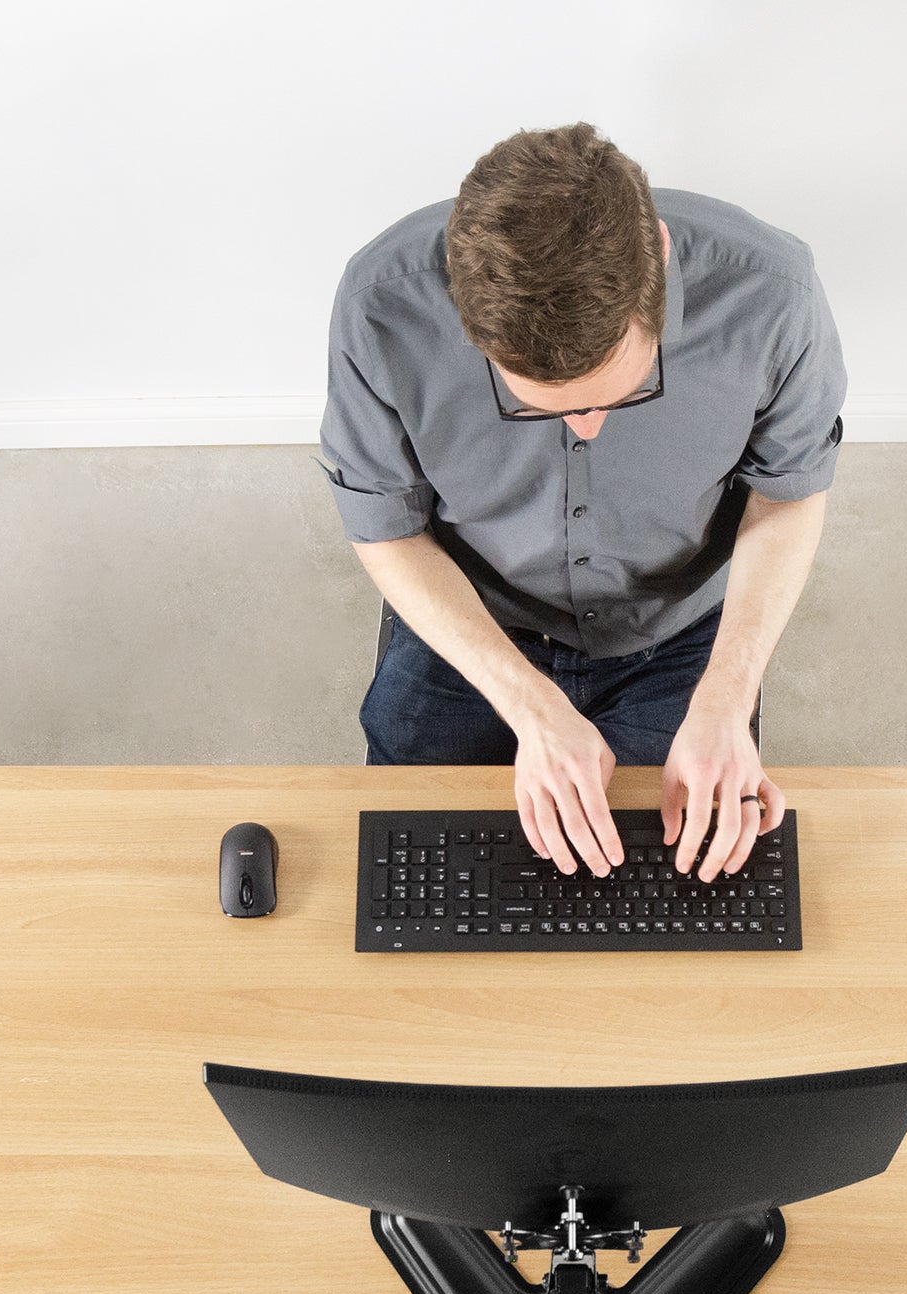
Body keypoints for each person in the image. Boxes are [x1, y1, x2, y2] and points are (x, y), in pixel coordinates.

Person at [319, 122, 845, 882]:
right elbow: (385, 526)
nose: (586, 428)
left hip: (678, 620)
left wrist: (727, 698)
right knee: (410, 866)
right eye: (538, 408)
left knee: (684, 882)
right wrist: (529, 707)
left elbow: (787, 496)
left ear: (657, 263)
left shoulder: (774, 296)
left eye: (622, 394)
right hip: (475, 608)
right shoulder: (380, 307)